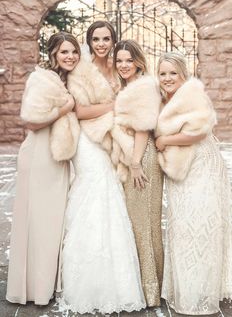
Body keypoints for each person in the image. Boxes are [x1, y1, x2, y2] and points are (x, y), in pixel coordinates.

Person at [61, 21, 146, 314]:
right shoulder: (81, 70)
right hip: (89, 141)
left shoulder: (119, 66)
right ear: (89, 41)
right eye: (95, 38)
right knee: (94, 193)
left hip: (113, 141)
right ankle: (84, 281)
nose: (101, 43)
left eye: (106, 38)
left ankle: (116, 278)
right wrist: (115, 105)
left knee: (113, 200)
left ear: (113, 40)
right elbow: (80, 111)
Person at [155, 51, 232, 315]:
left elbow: (199, 131)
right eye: (163, 73)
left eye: (172, 73)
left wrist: (165, 142)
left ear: (183, 74)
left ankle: (202, 291)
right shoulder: (163, 98)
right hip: (182, 170)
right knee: (181, 225)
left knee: (201, 225)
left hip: (203, 167)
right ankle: (184, 287)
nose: (167, 78)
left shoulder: (192, 95)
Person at [6, 32, 80, 305]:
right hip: (38, 157)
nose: (70, 56)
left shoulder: (68, 80)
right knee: (37, 223)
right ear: (53, 55)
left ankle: (46, 286)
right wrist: (65, 109)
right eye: (64, 52)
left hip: (57, 158)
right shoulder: (41, 79)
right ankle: (31, 289)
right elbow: (32, 120)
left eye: (74, 52)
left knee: (53, 224)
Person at [111, 39, 164, 307]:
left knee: (145, 223)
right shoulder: (128, 86)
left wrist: (134, 162)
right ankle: (147, 286)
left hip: (142, 157)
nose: (123, 65)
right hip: (133, 154)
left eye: (128, 60)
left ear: (138, 62)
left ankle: (151, 291)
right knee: (140, 222)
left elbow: (143, 127)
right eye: (119, 60)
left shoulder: (143, 86)